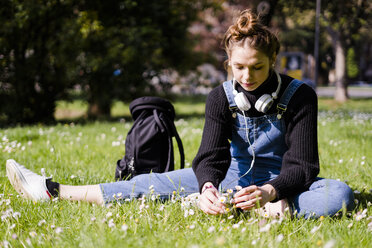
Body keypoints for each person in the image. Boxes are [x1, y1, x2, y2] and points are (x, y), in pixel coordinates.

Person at [6, 9, 354, 219]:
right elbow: (211, 156)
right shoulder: (219, 97)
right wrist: (206, 186)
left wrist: (271, 193)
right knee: (151, 183)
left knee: (338, 195)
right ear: (228, 64)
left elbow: (304, 165)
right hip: (232, 177)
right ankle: (53, 190)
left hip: (285, 184)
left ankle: (270, 211)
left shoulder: (301, 96)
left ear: (273, 61)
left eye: (257, 68)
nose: (247, 77)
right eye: (239, 68)